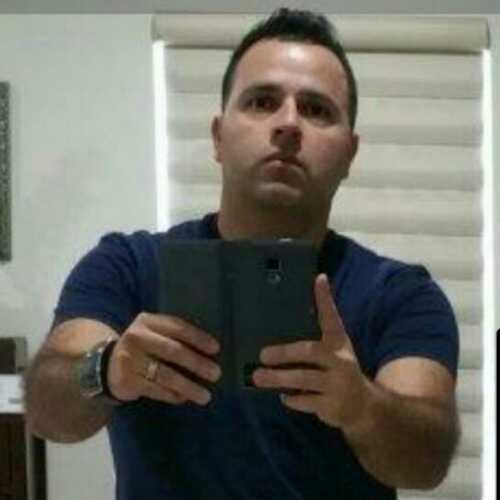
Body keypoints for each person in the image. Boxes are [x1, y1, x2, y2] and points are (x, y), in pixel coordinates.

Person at [24, 8, 460, 500]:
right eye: (262, 101)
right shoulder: (127, 266)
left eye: (317, 109)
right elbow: (45, 411)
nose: (289, 124)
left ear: (349, 154)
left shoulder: (399, 295)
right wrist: (107, 369)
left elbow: (428, 459)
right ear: (218, 136)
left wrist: (361, 405)